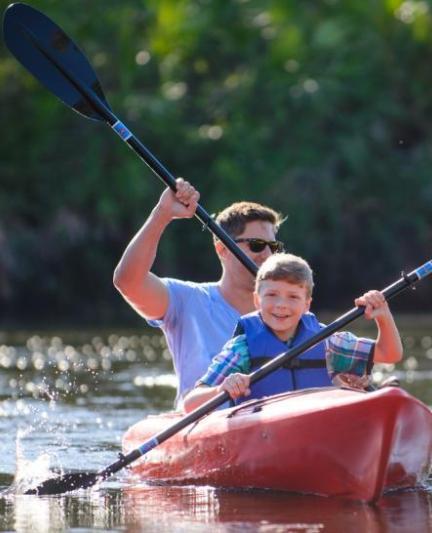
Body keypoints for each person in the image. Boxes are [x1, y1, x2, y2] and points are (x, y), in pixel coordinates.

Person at [113, 178, 285, 406]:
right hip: (207, 427)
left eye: (273, 247)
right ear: (222, 249)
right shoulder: (187, 300)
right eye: (255, 245)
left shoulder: (289, 312)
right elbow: (127, 281)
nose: (266, 256)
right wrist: (162, 214)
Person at [183, 253, 403, 412]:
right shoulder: (243, 348)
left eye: (293, 297)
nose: (281, 305)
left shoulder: (327, 343)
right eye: (272, 295)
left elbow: (389, 354)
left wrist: (383, 315)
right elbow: (190, 403)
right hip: (264, 434)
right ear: (257, 300)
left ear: (307, 304)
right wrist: (222, 388)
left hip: (320, 427)